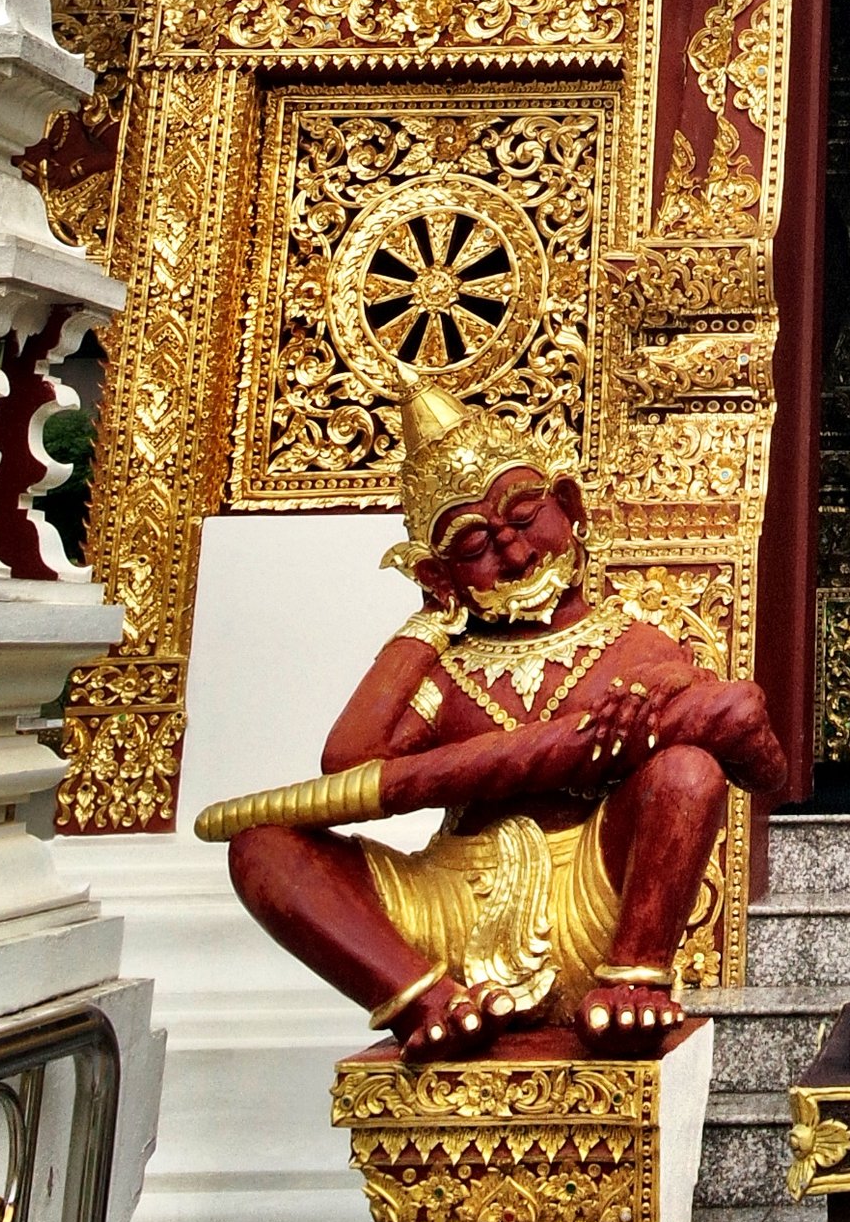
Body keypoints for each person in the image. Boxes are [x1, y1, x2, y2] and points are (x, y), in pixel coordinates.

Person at [222, 379, 786, 1057]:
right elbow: (348, 767)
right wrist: (425, 628)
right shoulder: (448, 670)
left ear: (569, 506)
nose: (516, 555)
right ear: (440, 574)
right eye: (475, 547)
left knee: (687, 771)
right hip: (450, 904)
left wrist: (668, 693)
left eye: (525, 519)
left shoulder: (632, 647)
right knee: (261, 848)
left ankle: (634, 979)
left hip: (590, 891)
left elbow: (758, 754)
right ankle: (426, 998)